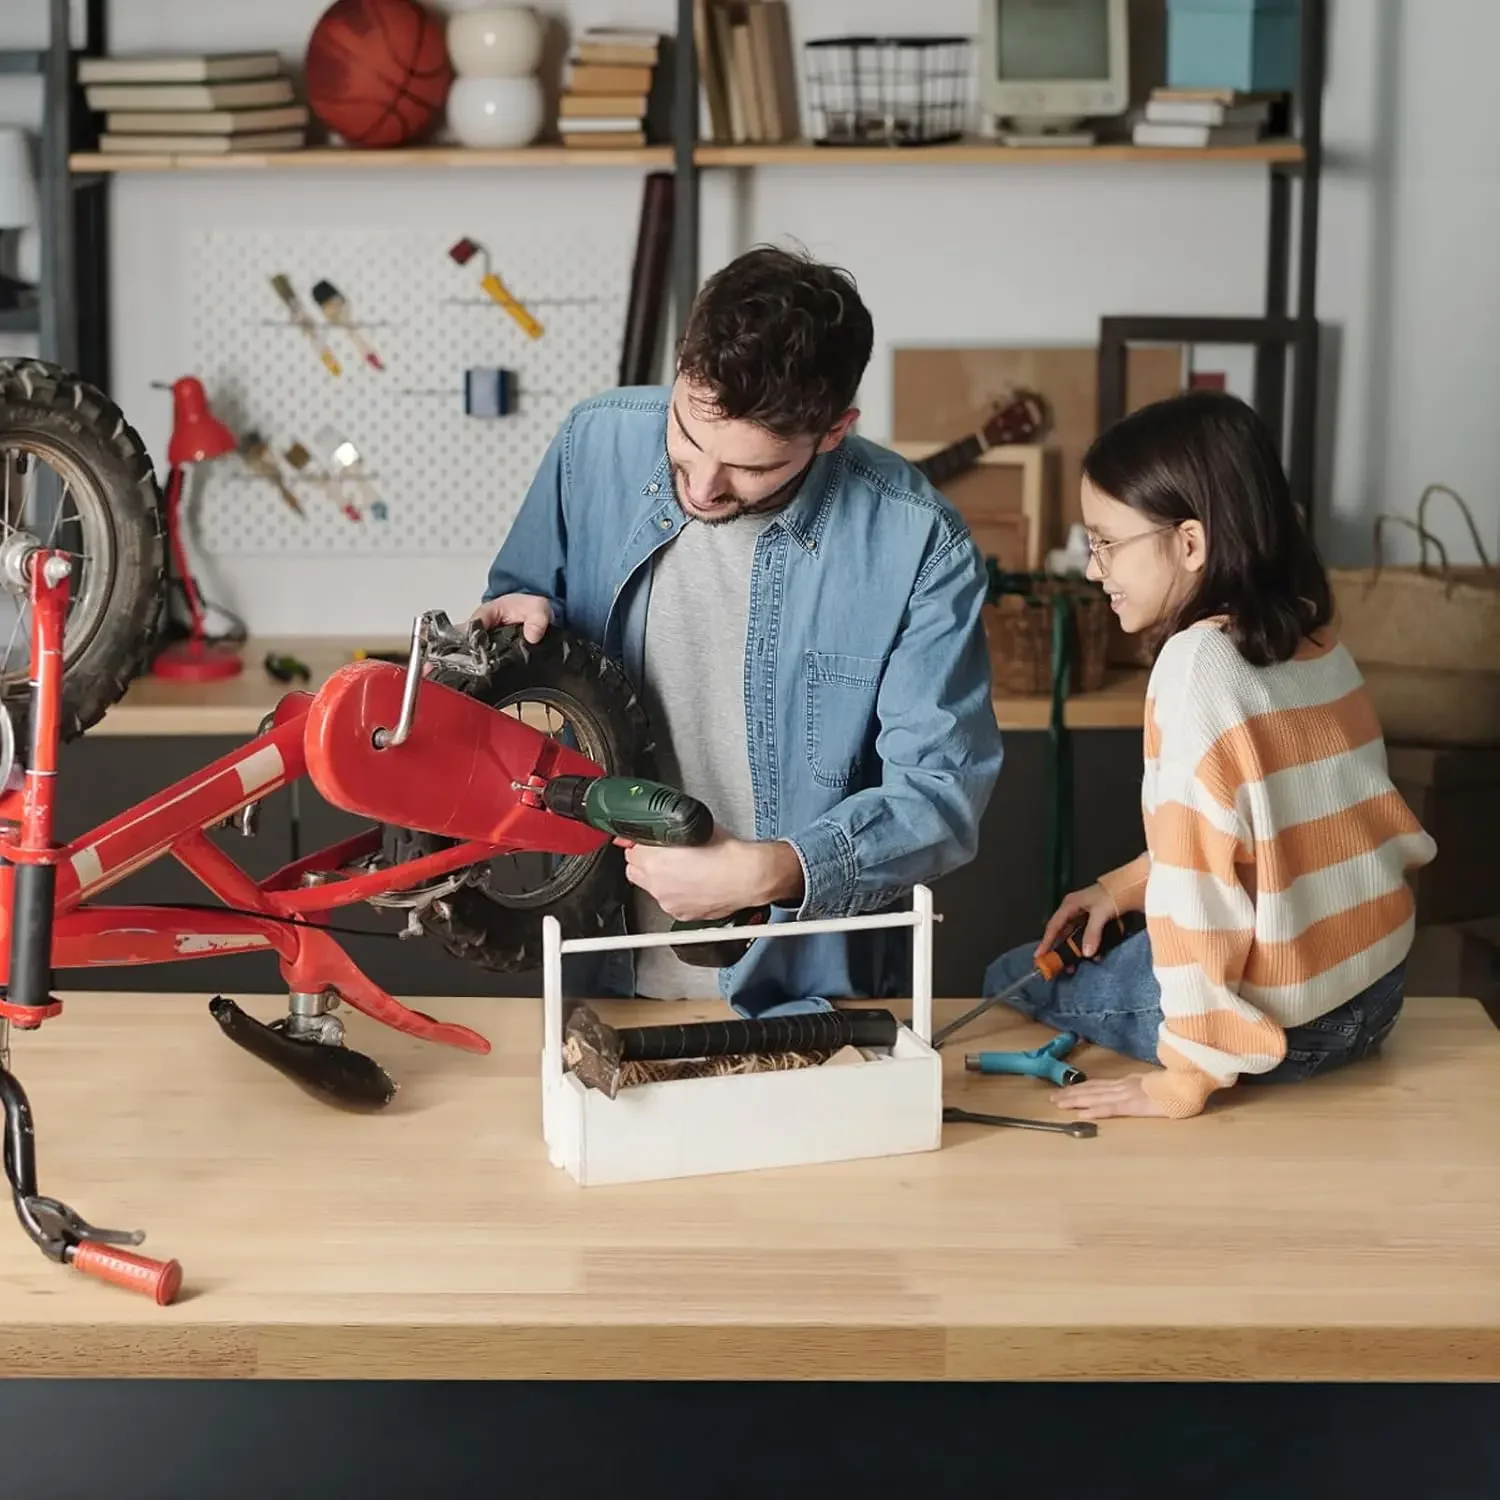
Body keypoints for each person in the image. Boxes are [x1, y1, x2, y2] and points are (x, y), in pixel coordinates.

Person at [473, 244, 1003, 1014]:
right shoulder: (593, 443)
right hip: (602, 970)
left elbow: (942, 792)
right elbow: (515, 609)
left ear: (833, 431)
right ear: (684, 365)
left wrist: (772, 871)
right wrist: (509, 625)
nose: (704, 485)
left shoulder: (918, 542)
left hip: (808, 987)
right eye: (688, 436)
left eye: (751, 468)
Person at [980, 390, 1437, 1120]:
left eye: (1106, 542)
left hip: (1290, 1026)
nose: (1095, 571)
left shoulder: (1195, 667)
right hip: (1375, 992)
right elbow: (1267, 833)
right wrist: (1122, 889)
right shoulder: (1316, 639)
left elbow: (1199, 897)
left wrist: (1182, 1081)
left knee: (1009, 975)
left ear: (1190, 543)